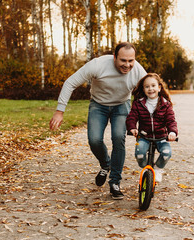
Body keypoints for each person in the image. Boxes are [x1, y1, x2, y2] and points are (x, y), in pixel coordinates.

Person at [49, 42, 147, 200]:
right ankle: (105, 163)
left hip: (121, 105)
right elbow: (70, 83)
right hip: (98, 105)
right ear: (114, 57)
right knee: (94, 139)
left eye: (131, 61)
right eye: (123, 60)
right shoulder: (97, 65)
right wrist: (60, 111)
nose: (127, 65)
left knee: (118, 137)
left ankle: (115, 182)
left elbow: (150, 92)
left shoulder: (139, 71)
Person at [126, 73, 178, 182]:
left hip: (161, 137)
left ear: (159, 88)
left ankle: (158, 169)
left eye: (153, 86)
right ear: (143, 89)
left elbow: (171, 120)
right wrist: (132, 127)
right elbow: (132, 117)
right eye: (147, 86)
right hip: (144, 136)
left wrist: (172, 132)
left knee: (166, 153)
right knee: (139, 154)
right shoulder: (138, 103)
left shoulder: (165, 104)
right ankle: (145, 168)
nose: (150, 89)